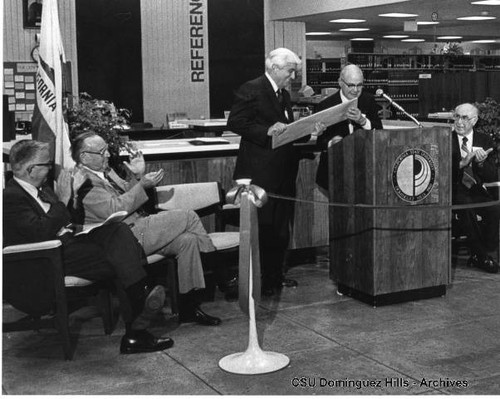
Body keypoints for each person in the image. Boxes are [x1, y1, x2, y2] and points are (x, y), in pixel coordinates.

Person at [3, 140, 173, 354]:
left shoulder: (42, 189)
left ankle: (137, 323)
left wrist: (71, 199)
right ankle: (138, 319)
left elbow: (63, 218)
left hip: (69, 246)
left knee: (117, 231)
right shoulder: (10, 197)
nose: (51, 169)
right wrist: (64, 199)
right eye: (47, 164)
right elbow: (41, 232)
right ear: (31, 169)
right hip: (46, 260)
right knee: (121, 257)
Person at [70, 131, 222, 325]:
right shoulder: (84, 182)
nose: (107, 155)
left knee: (188, 241)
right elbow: (115, 209)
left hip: (139, 227)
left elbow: (127, 193)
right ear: (84, 156)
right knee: (188, 216)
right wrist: (142, 184)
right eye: (102, 152)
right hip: (124, 240)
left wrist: (137, 175)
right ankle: (220, 273)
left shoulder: (106, 171)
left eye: (107, 150)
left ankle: (189, 308)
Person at [227, 47, 324, 296]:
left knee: (281, 229)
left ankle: (274, 276)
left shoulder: (283, 95)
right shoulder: (252, 88)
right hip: (260, 174)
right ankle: (258, 280)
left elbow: (285, 131)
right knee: (263, 228)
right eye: (291, 72)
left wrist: (308, 131)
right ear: (275, 68)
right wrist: (266, 130)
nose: (293, 78)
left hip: (283, 172)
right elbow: (236, 122)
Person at [315, 63, 383, 192]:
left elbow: (379, 131)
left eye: (360, 85)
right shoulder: (325, 105)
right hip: (334, 169)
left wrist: (362, 121)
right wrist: (331, 142)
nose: (356, 90)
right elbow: (318, 143)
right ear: (340, 82)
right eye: (351, 85)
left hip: (364, 168)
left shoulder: (368, 100)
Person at [451, 103, 500, 273]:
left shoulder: (484, 140)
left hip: (476, 188)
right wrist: (460, 164)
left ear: (474, 120)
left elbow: (492, 175)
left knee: (494, 208)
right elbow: (439, 171)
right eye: (457, 116)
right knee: (466, 207)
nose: (459, 122)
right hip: (454, 189)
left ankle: (483, 252)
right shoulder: (445, 139)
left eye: (464, 118)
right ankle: (482, 256)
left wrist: (479, 164)